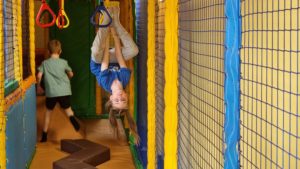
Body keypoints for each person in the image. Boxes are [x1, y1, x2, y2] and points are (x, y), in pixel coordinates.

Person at [90, 7, 140, 145]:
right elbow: (119, 56)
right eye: (123, 100)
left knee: (95, 50)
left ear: (111, 99)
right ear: (126, 96)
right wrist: (115, 36)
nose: (120, 99)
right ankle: (115, 21)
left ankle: (106, 18)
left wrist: (106, 40)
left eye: (117, 101)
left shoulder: (105, 82)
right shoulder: (125, 79)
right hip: (115, 57)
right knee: (134, 50)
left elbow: (105, 60)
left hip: (100, 60)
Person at [37, 39, 80, 142]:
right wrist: (67, 78)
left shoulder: (45, 63)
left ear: (48, 51)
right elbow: (71, 74)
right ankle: (72, 119)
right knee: (68, 110)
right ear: (60, 51)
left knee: (48, 113)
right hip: (64, 91)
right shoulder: (64, 62)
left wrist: (39, 85)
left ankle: (44, 136)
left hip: (51, 92)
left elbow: (39, 75)